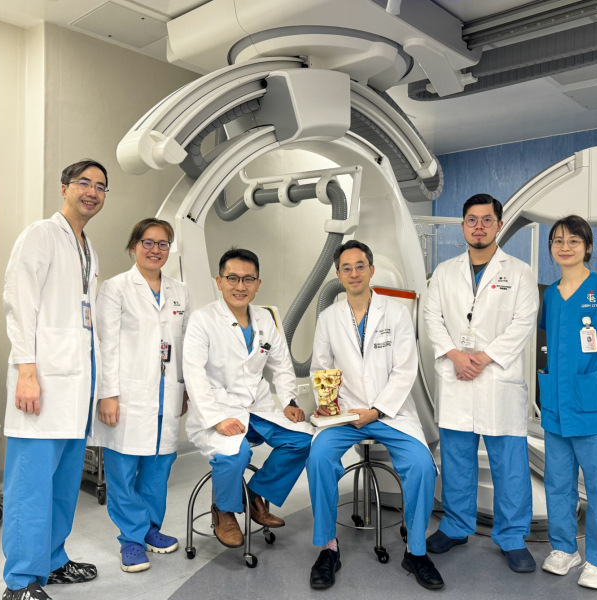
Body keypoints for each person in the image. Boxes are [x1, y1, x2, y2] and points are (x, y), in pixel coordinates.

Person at [307, 240, 443, 590]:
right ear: (338, 275)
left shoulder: (395, 313)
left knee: (421, 465)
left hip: (390, 412)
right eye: (346, 268)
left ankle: (415, 551)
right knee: (319, 457)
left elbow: (405, 369)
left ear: (371, 270)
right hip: (345, 415)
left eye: (360, 266)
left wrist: (376, 410)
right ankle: (328, 548)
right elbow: (321, 368)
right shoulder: (328, 318)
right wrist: (326, 401)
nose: (354, 273)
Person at [2, 159, 107, 600]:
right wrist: (26, 369)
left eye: (100, 186)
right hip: (42, 383)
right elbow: (19, 301)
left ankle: (53, 560)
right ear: (64, 188)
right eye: (84, 182)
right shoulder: (41, 235)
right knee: (30, 487)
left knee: (64, 485)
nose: (92, 191)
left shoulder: (88, 248)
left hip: (75, 388)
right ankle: (21, 581)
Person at [424, 193, 539, 573]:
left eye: (487, 220)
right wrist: (456, 356)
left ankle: (512, 536)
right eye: (472, 220)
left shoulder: (520, 272)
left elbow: (523, 323)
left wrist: (483, 358)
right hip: (456, 376)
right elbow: (431, 318)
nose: (479, 227)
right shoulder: (444, 272)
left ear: (499, 225)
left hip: (498, 380)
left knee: (510, 466)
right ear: (462, 226)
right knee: (456, 461)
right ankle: (456, 526)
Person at [183, 248, 314, 548]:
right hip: (218, 409)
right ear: (219, 281)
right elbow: (194, 374)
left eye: (248, 279)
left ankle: (254, 495)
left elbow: (282, 365)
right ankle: (224, 511)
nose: (240, 286)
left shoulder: (265, 319)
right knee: (237, 452)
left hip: (257, 408)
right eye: (232, 278)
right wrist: (217, 419)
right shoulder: (203, 320)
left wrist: (290, 402)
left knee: (303, 439)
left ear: (258, 284)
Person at [89, 219, 190, 572]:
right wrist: (108, 395)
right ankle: (130, 540)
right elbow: (105, 345)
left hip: (167, 395)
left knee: (158, 470)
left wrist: (185, 389)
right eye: (148, 242)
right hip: (127, 396)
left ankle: (150, 530)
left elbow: (183, 346)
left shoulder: (180, 291)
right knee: (122, 471)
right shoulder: (116, 288)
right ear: (133, 246)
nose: (155, 250)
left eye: (163, 244)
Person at [537, 215, 597, 590]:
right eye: (558, 241)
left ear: (587, 247)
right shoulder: (550, 294)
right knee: (558, 483)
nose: (565, 247)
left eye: (573, 241)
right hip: (558, 405)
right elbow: (551, 344)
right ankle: (564, 549)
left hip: (596, 404)